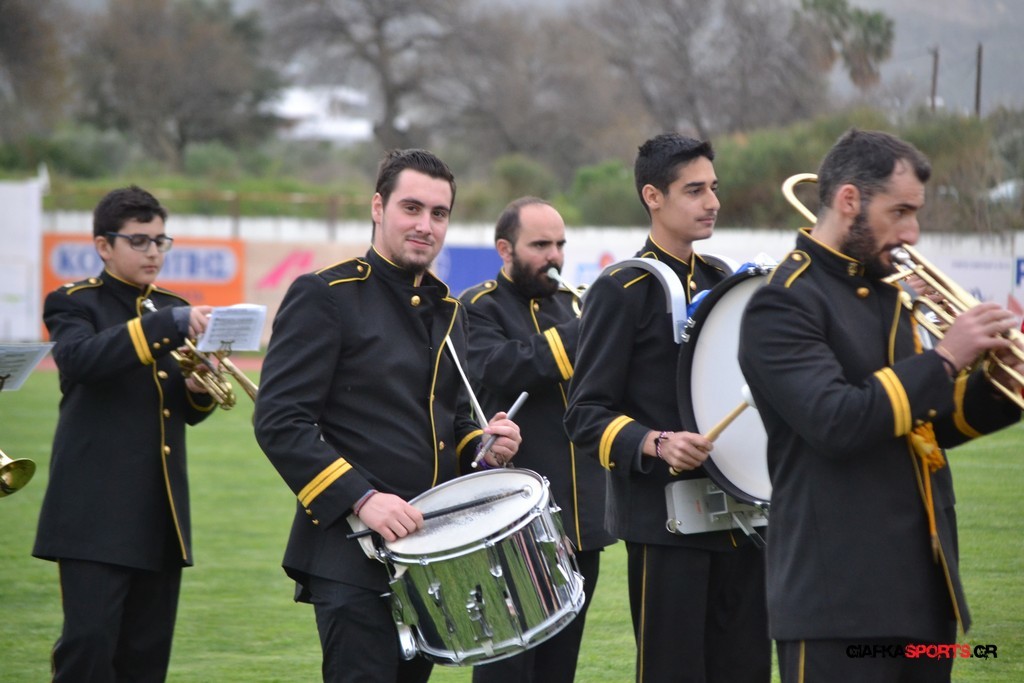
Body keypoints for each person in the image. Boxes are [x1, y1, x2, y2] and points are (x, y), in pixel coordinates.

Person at [737, 128, 1024, 683]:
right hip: (836, 604)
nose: (912, 232)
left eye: (915, 213)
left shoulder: (892, 295)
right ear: (850, 200)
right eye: (900, 212)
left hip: (923, 595)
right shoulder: (783, 301)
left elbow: (926, 426)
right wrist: (946, 357)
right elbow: (836, 421)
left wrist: (1001, 385)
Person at [253, 148, 522, 683]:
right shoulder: (325, 295)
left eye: (439, 213)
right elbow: (280, 420)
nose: (426, 225)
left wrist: (482, 444)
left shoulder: (451, 311)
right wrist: (363, 498)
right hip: (351, 554)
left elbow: (450, 418)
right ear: (378, 208)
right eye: (411, 208)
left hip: (428, 557)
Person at [564, 133, 771, 683]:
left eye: (714, 188)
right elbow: (584, 414)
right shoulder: (621, 288)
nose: (712, 202)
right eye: (694, 190)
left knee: (746, 669)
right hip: (666, 525)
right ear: (653, 197)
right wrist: (657, 443)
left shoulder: (723, 280)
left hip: (743, 517)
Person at [33, 185, 217, 682]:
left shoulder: (169, 308)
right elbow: (80, 360)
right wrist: (168, 325)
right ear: (103, 246)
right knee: (88, 651)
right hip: (94, 515)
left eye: (160, 240)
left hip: (160, 515)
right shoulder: (74, 303)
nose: (153, 251)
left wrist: (198, 389)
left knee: (145, 660)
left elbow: (182, 411)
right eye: (139, 241)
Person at [459, 197, 616, 683]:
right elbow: (502, 367)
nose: (554, 257)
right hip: (512, 520)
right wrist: (585, 331)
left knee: (558, 667)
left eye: (560, 245)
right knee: (507, 666)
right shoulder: (478, 305)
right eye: (540, 245)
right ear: (504, 249)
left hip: (580, 519)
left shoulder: (573, 305)